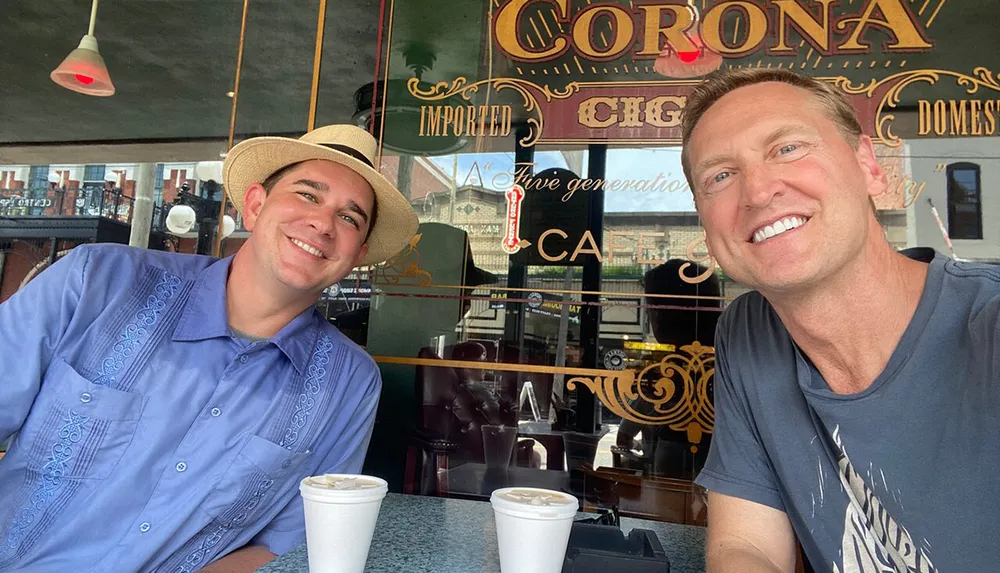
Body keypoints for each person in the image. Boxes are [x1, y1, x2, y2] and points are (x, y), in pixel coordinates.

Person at [0, 124, 418, 572]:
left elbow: (295, 542)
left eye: (350, 217)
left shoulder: (348, 383)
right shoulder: (97, 282)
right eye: (308, 195)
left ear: (358, 254)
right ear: (255, 206)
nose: (322, 223)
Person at [682, 67, 1000, 572]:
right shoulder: (749, 333)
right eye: (719, 176)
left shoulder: (988, 326)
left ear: (870, 167)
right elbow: (749, 547)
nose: (758, 192)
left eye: (787, 147)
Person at [616, 259, 722, 480]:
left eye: (653, 308)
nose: (652, 318)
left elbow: (625, 434)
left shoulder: (666, 372)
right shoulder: (732, 361)